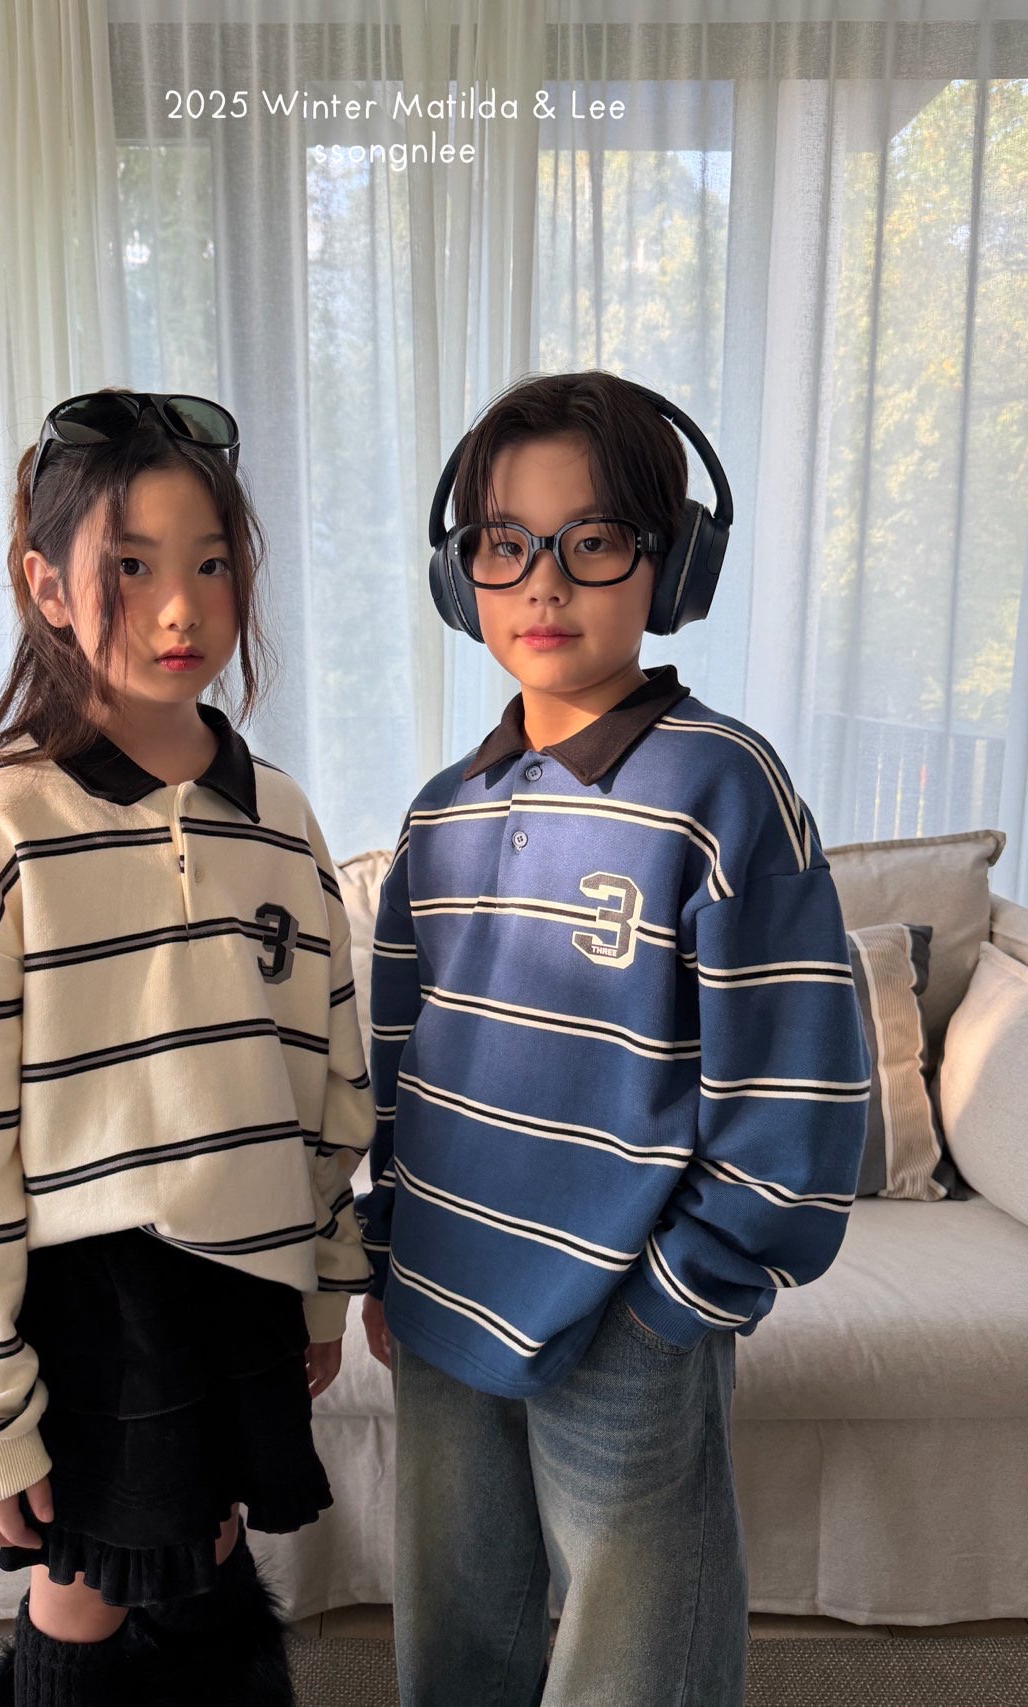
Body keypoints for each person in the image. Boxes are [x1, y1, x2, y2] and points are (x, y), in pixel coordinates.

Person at [357, 371, 870, 1707]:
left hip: (626, 1321)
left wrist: (676, 1300)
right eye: (503, 544)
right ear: (459, 574)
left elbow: (799, 1094)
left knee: (639, 1671)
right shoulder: (439, 814)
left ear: (674, 564)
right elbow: (400, 1066)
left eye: (591, 542)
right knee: (455, 1653)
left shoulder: (724, 788)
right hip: (440, 1298)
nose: (543, 584)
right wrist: (384, 1255)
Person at [0, 389, 374, 1706]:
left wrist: (324, 1277)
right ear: (46, 585)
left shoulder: (281, 818)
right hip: (91, 1295)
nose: (180, 610)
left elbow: (328, 1074)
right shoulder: (4, 822)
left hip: (243, 1275)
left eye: (212, 565)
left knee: (207, 1548)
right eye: (133, 568)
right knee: (88, 1577)